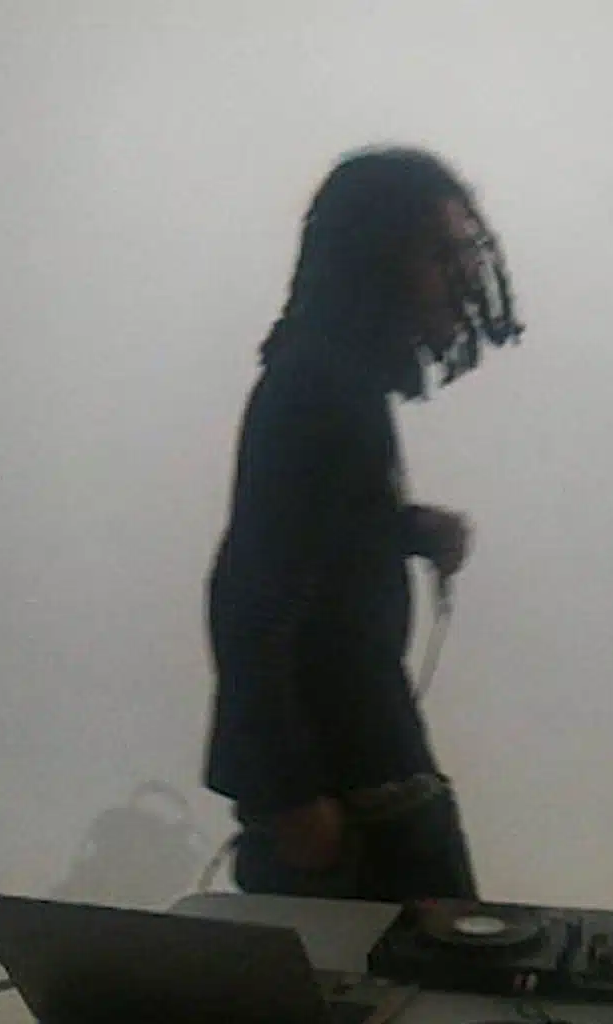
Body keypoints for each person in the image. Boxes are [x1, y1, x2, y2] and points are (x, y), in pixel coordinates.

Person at [203, 146, 522, 902]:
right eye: (439, 254)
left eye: (462, 252)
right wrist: (290, 797)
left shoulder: (330, 381)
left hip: (364, 785)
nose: (459, 276)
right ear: (376, 259)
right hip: (352, 802)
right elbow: (246, 602)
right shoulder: (319, 390)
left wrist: (403, 528)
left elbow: (315, 534)